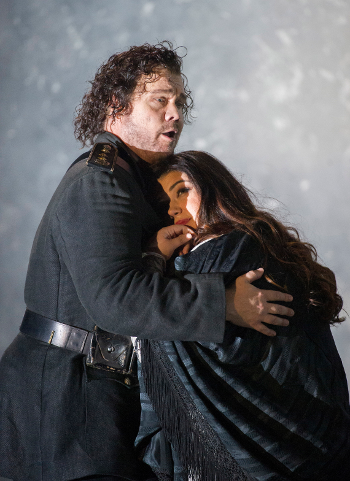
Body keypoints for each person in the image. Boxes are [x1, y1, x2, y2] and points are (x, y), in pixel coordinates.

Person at [0, 43, 293, 481]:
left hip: (90, 395)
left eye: (179, 102)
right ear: (117, 106)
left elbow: (114, 276)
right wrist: (224, 304)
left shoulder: (129, 180)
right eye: (159, 100)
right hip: (62, 403)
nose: (175, 113)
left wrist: (154, 252)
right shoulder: (101, 180)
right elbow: (114, 298)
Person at [136, 150, 350, 481]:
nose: (174, 208)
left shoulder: (236, 251)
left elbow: (150, 306)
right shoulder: (259, 243)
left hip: (288, 436)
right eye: (164, 202)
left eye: (182, 190)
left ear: (215, 189)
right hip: (312, 442)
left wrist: (155, 259)